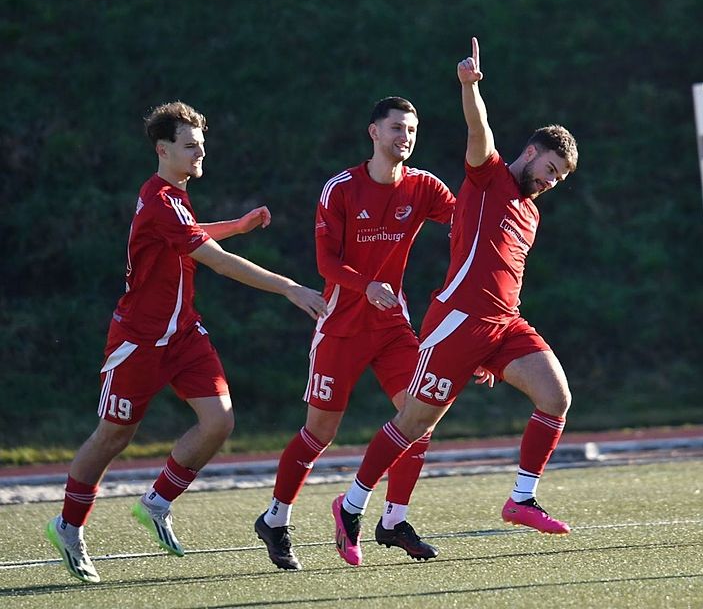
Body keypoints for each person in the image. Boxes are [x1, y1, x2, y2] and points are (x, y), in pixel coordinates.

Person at [44, 101, 328, 584]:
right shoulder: (160, 201)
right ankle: (68, 526)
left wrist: (235, 227)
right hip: (138, 341)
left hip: (184, 334)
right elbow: (215, 260)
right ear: (163, 149)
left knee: (219, 421)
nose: (201, 152)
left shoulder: (173, 196)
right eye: (190, 145)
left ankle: (156, 502)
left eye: (201, 143)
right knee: (114, 435)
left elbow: (192, 238)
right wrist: (288, 287)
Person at [329, 37, 579, 567]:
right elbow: (478, 130)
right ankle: (351, 506)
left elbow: (505, 273)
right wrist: (470, 87)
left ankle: (521, 498)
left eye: (559, 178)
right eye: (550, 169)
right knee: (414, 424)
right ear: (531, 152)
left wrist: (493, 357)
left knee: (556, 396)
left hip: (503, 325)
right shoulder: (487, 177)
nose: (551, 182)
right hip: (457, 322)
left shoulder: (531, 212)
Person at [253, 97, 455, 570]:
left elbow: (470, 214)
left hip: (392, 328)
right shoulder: (340, 189)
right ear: (373, 133)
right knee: (318, 433)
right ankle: (275, 520)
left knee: (419, 418)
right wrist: (366, 285)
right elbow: (326, 264)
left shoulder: (424, 186)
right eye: (396, 128)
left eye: (412, 129)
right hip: (341, 328)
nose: (405, 137)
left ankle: (393, 520)